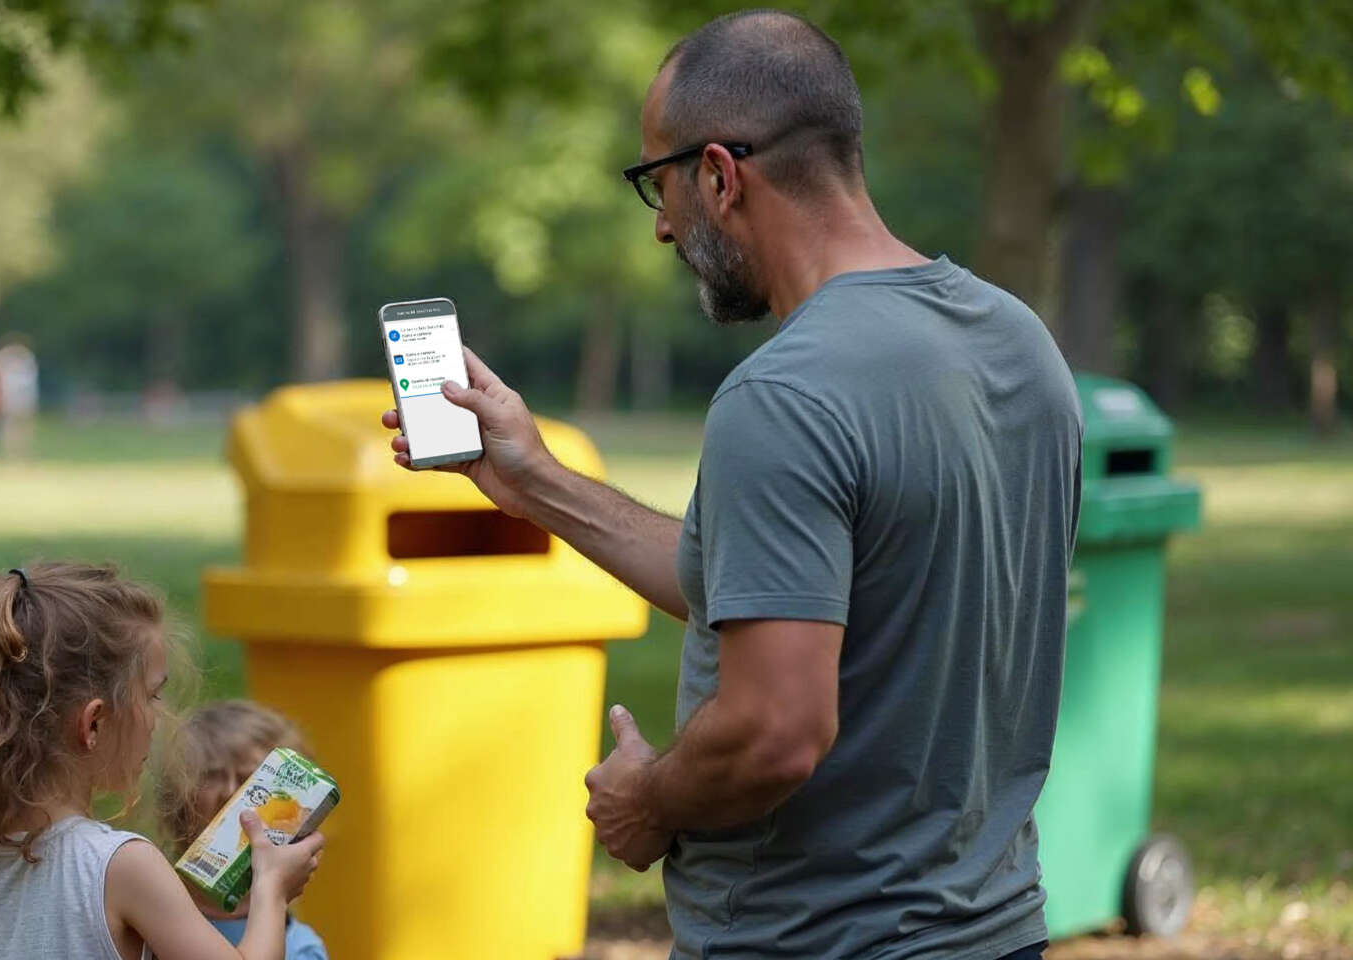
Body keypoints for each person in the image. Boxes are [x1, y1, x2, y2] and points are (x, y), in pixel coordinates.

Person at [382, 11, 1080, 960]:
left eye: (656, 185)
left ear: (718, 174)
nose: (665, 225)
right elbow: (788, 591)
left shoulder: (785, 395)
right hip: (997, 933)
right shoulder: (1017, 343)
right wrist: (536, 480)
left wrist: (648, 800)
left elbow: (776, 732)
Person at [0, 564, 326, 960]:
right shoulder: (121, 866)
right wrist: (270, 887)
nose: (160, 718)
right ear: (94, 723)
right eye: (153, 695)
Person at [159, 700, 331, 960]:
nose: (230, 791)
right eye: (211, 775)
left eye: (251, 779)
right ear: (177, 799)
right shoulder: (145, 904)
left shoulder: (299, 950)